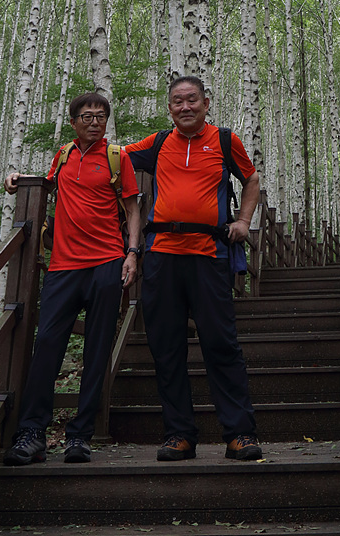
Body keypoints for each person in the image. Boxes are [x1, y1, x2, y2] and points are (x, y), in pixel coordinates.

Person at [125, 75, 262, 461]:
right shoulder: (156, 144)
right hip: (162, 255)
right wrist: (55, 166)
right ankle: (179, 435)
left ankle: (239, 434)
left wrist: (244, 221)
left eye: (192, 100)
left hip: (209, 255)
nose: (185, 107)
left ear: (205, 103)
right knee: (166, 346)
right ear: (169, 108)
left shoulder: (225, 140)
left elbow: (251, 179)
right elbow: (109, 157)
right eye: (177, 101)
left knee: (221, 343)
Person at [1, 91, 141, 465]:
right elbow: (47, 184)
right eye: (87, 116)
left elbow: (132, 208)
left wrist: (132, 253)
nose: (94, 122)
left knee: (97, 349)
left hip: (107, 263)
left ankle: (80, 436)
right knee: (47, 344)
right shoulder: (63, 155)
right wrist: (17, 178)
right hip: (63, 266)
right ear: (74, 121)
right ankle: (32, 432)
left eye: (101, 116)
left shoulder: (118, 157)